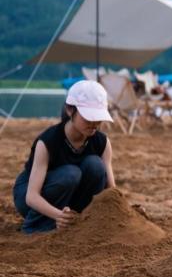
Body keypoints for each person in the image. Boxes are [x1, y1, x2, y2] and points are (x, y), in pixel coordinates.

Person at [12, 80, 115, 233]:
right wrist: (58, 215)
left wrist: (128, 212)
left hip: (69, 196)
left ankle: (78, 219)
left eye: (98, 118)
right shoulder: (47, 142)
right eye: (88, 117)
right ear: (69, 110)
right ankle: (39, 225)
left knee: (95, 165)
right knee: (70, 173)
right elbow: (31, 197)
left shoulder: (102, 142)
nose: (94, 123)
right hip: (31, 196)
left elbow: (111, 191)